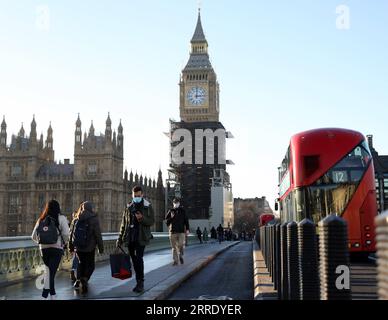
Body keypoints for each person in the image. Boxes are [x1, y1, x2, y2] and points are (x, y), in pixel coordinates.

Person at [116, 185, 155, 293]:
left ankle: (140, 282)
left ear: (142, 195)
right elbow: (123, 224)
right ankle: (139, 281)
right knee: (134, 260)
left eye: (138, 196)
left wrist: (142, 219)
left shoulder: (147, 206)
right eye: (134, 196)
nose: (136, 197)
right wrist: (119, 238)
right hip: (130, 237)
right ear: (132, 195)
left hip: (141, 237)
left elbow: (152, 221)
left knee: (139, 259)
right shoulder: (129, 206)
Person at [31, 200, 70, 300]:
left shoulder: (41, 219)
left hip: (44, 249)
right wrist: (63, 243)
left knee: (49, 272)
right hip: (56, 248)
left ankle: (52, 294)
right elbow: (66, 234)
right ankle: (45, 294)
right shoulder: (61, 218)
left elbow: (33, 236)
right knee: (51, 272)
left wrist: (41, 243)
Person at [69, 201, 104, 295]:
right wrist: (101, 248)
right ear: (91, 208)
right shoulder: (94, 219)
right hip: (90, 247)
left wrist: (71, 247)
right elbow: (98, 235)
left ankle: (78, 280)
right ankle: (84, 279)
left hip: (79, 247)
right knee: (90, 265)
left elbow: (71, 234)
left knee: (80, 264)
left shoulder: (76, 218)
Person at [165, 198, 190, 266]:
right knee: (174, 247)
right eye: (175, 203)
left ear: (179, 203)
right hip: (172, 231)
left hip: (181, 231)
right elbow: (167, 222)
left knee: (181, 245)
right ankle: (175, 261)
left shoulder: (183, 211)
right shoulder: (170, 211)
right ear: (173, 203)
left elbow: (186, 221)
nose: (176, 204)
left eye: (177, 202)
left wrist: (187, 229)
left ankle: (180, 255)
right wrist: (172, 217)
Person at [69, 210, 79, 283]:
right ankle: (76, 274)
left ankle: (73, 271)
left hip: (75, 243)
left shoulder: (74, 222)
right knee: (77, 258)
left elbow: (70, 234)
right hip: (81, 244)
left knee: (75, 258)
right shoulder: (79, 221)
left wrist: (70, 246)